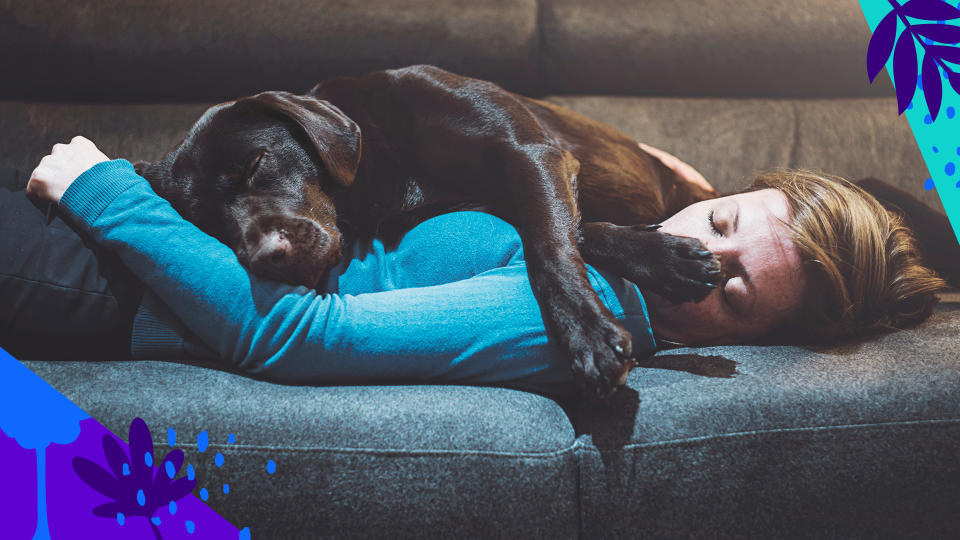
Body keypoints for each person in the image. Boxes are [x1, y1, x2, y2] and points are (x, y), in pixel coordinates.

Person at [2, 136, 948, 401]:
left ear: (763, 343)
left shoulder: (571, 317)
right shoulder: (603, 241)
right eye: (726, 218)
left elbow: (289, 333)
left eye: (733, 286)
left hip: (107, 282)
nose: (700, 252)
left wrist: (103, 191)